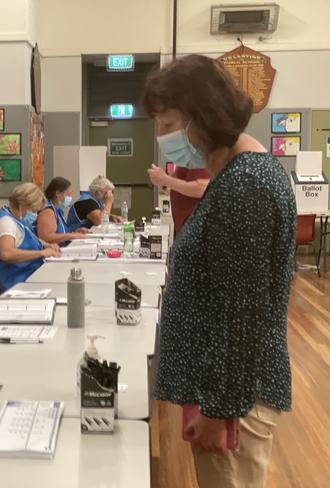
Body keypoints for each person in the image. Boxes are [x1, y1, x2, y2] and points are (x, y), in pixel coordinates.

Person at [142, 54, 296, 487]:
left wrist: (218, 410)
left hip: (235, 403)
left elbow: (241, 313)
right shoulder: (236, 178)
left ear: (203, 118)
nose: (162, 137)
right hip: (223, 390)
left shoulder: (246, 185)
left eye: (169, 125)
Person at [0, 182, 61, 293]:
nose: (35, 215)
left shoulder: (15, 219)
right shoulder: (6, 223)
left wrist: (46, 244)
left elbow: (22, 238)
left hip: (28, 276)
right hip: (17, 284)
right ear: (22, 204)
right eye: (34, 210)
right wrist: (41, 253)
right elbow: (6, 254)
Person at [147, 161, 210, 235]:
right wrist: (170, 188)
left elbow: (203, 188)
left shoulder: (196, 154)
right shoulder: (185, 159)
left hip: (196, 228)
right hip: (186, 226)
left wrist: (166, 180)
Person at [36, 176, 89, 246]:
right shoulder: (48, 211)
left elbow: (60, 233)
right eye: (68, 194)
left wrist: (75, 232)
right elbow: (46, 237)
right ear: (58, 193)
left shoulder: (58, 210)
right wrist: (71, 236)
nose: (70, 197)